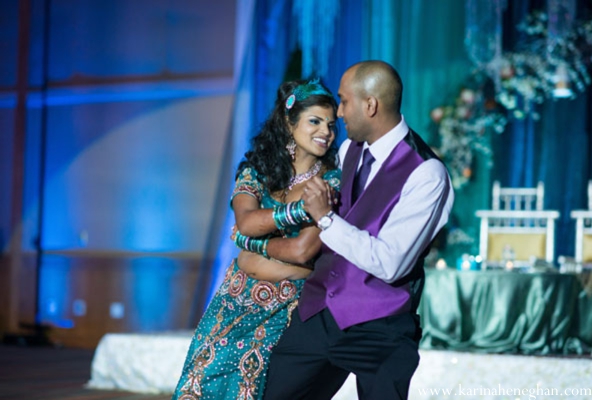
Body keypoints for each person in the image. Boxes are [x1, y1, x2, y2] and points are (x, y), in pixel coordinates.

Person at [263, 60, 455, 400]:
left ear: (371, 105)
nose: (338, 112)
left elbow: (390, 262)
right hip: (320, 310)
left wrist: (326, 218)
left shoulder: (427, 173)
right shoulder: (350, 149)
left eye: (344, 101)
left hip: (380, 325)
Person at [172, 79, 341, 400]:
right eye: (315, 121)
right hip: (233, 300)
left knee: (251, 391)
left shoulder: (332, 180)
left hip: (282, 307)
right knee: (201, 381)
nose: (326, 132)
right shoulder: (257, 170)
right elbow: (247, 222)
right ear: (289, 124)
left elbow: (302, 250)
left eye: (331, 125)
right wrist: (300, 211)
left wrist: (251, 243)